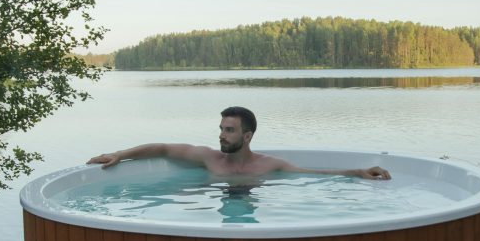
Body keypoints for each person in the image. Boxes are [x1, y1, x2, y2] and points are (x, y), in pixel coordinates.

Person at [87, 105, 391, 180]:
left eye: (229, 130)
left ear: (247, 137)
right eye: (221, 128)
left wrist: (356, 173)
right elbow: (164, 148)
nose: (221, 134)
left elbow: (310, 176)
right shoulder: (209, 158)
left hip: (250, 200)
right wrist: (119, 154)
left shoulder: (268, 165)